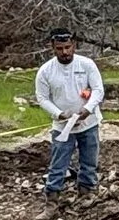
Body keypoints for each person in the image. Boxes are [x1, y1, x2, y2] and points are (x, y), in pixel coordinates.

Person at [35, 27, 105, 199]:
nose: (64, 52)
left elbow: (98, 90)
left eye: (67, 47)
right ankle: (51, 199)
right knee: (58, 164)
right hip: (62, 127)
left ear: (73, 44)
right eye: (59, 49)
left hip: (88, 123)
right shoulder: (45, 71)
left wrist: (88, 109)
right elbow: (42, 98)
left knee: (89, 162)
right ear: (53, 47)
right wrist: (59, 114)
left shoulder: (87, 65)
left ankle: (86, 193)